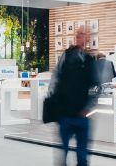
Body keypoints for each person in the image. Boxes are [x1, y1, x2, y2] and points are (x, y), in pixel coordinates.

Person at [49, 26, 99, 166]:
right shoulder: (66, 56)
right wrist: (54, 100)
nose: (79, 36)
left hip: (82, 116)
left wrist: (89, 106)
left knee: (82, 158)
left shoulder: (89, 60)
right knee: (62, 154)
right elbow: (55, 77)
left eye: (82, 34)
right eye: (77, 34)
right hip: (65, 114)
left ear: (87, 37)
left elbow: (96, 85)